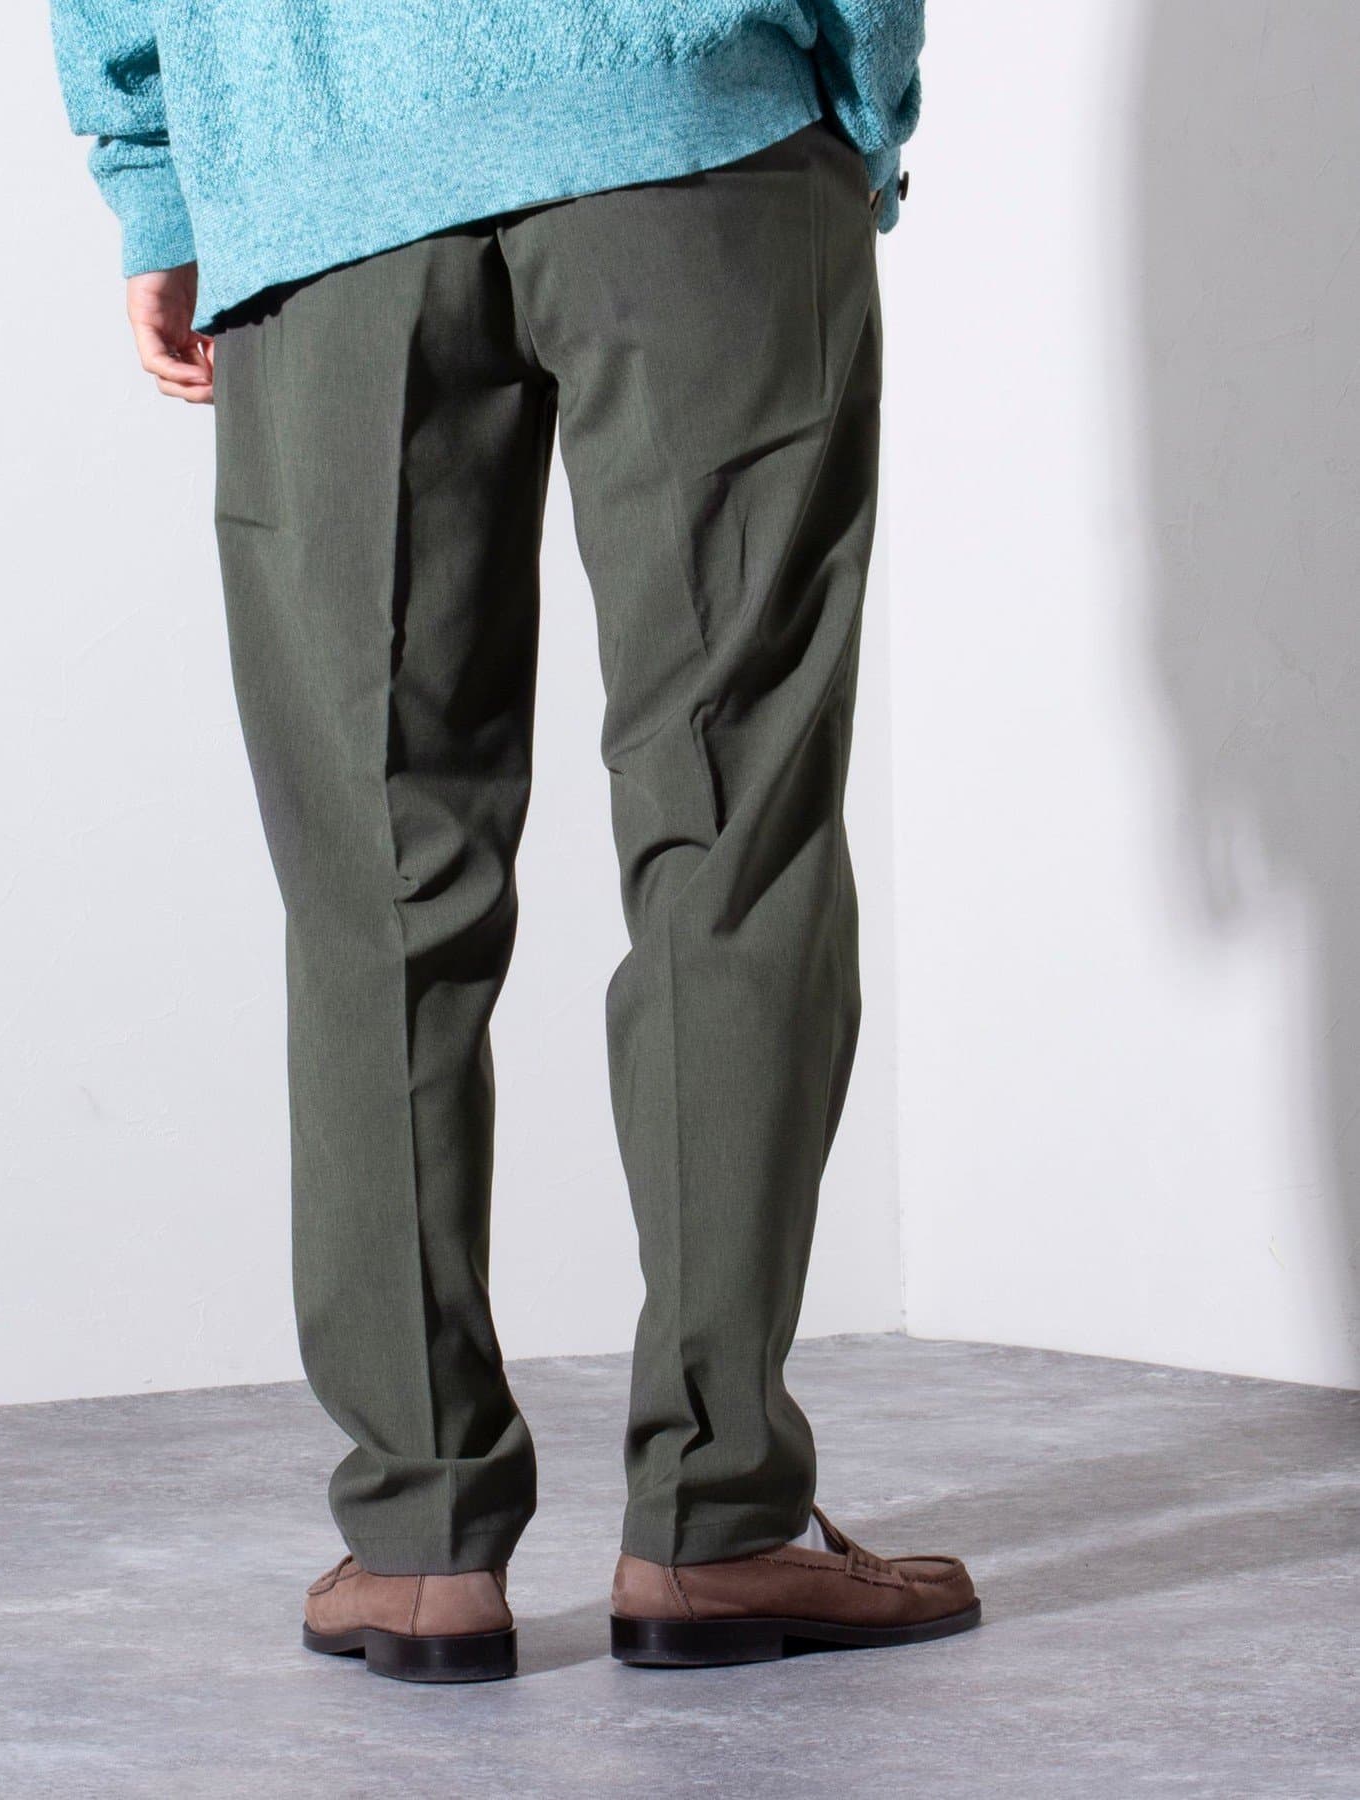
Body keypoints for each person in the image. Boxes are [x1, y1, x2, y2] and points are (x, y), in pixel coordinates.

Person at [51, 0, 979, 1683]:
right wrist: (858, 99)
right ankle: (717, 1522)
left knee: (378, 877)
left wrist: (163, 180)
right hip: (692, 134)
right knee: (735, 833)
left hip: (321, 174)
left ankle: (420, 1545)